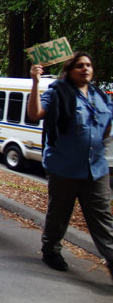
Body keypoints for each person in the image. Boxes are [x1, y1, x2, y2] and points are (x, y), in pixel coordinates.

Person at [28, 52, 113, 279]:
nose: (85, 69)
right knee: (59, 214)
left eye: (88, 65)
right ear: (69, 70)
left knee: (103, 219)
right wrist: (36, 83)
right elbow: (35, 113)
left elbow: (106, 128)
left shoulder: (101, 97)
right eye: (79, 66)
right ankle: (51, 250)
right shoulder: (58, 93)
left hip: (95, 169)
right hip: (63, 168)